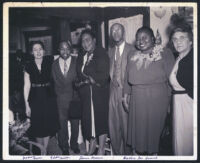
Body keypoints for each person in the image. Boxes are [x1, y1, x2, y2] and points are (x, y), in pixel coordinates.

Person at [123, 26, 175, 155]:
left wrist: (170, 103)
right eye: (138, 38)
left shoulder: (164, 53)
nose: (141, 41)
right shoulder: (131, 55)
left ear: (153, 39)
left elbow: (172, 81)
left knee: (154, 137)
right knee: (138, 136)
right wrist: (125, 95)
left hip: (157, 102)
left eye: (144, 37)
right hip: (137, 101)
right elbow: (126, 78)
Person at [76, 29, 110, 155]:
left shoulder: (101, 53)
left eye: (88, 40)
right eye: (83, 41)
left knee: (100, 119)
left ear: (94, 40)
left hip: (99, 93)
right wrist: (81, 81)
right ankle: (92, 144)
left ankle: (101, 148)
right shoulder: (81, 55)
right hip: (86, 94)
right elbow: (78, 73)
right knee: (89, 121)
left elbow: (104, 74)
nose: (85, 43)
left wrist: (90, 79)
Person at [24, 41, 59, 153]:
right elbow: (26, 86)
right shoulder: (28, 65)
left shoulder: (50, 60)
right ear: (32, 52)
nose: (38, 52)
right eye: (35, 49)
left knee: (48, 123)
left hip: (49, 97)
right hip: (35, 98)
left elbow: (65, 54)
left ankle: (45, 150)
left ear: (44, 51)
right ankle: (41, 149)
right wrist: (27, 106)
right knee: (38, 124)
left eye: (40, 49)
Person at [169, 23, 193, 155]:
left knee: (188, 142)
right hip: (179, 105)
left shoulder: (192, 59)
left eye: (182, 38)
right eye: (175, 39)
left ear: (190, 40)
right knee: (180, 141)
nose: (178, 42)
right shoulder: (178, 58)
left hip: (190, 106)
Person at [52, 41, 80, 155]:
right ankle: (64, 146)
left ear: (71, 49)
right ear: (58, 50)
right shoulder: (54, 64)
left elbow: (80, 78)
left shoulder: (77, 61)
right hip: (60, 98)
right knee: (62, 123)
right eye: (62, 49)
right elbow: (54, 81)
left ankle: (74, 144)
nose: (65, 51)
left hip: (74, 97)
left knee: (75, 123)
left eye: (67, 48)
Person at [108, 23, 133, 155]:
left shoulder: (133, 49)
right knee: (113, 126)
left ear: (123, 32)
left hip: (127, 93)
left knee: (127, 127)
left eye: (118, 30)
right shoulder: (110, 51)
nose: (115, 32)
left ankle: (128, 156)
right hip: (113, 91)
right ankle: (117, 154)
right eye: (113, 31)